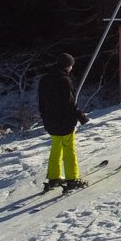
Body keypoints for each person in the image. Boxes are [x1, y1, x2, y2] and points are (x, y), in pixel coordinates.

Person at [37, 54, 90, 191]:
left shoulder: (44, 79)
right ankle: (72, 179)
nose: (72, 68)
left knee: (56, 148)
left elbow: (41, 103)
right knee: (68, 148)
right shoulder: (64, 80)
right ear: (67, 66)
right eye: (71, 65)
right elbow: (69, 103)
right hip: (65, 121)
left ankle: (53, 177)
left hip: (50, 121)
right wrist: (81, 117)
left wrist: (45, 118)